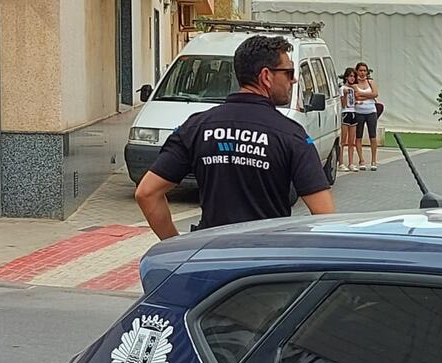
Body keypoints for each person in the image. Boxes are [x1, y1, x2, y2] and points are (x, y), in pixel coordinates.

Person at [135, 35, 335, 239]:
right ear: (266, 76)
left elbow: (147, 193)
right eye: (289, 72)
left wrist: (175, 245)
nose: (293, 80)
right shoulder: (291, 135)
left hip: (211, 256)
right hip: (265, 260)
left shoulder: (196, 127)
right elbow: (324, 216)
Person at [353, 62, 380, 171]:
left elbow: (375, 94)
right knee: (358, 136)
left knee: (372, 136)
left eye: (364, 70)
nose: (363, 73)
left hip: (371, 111)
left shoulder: (370, 82)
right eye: (361, 70)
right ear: (357, 71)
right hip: (359, 112)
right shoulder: (354, 84)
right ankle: (361, 160)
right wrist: (368, 96)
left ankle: (373, 160)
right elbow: (356, 97)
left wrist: (363, 96)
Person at [339, 67, 358, 172]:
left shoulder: (353, 88)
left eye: (353, 76)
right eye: (350, 76)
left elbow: (355, 101)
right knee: (343, 140)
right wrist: (345, 95)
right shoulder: (343, 88)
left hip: (353, 112)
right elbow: (343, 104)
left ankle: (351, 162)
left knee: (352, 141)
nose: (352, 78)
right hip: (346, 112)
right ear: (346, 77)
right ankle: (341, 162)